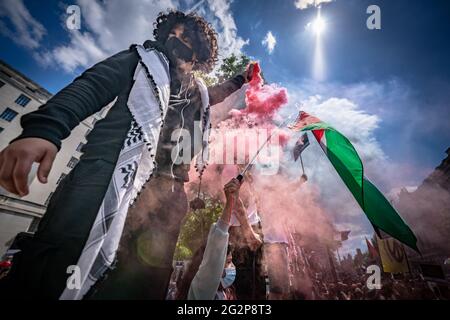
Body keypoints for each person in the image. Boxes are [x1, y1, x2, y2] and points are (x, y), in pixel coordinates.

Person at [0, 10, 255, 300]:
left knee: (142, 283)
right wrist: (44, 130)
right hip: (103, 178)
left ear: (198, 55)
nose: (174, 40)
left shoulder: (199, 95)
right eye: (172, 34)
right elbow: (93, 84)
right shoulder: (140, 62)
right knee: (58, 268)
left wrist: (242, 78)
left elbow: (220, 92)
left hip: (166, 201)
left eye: (185, 38)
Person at [176, 178, 242, 300]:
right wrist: (229, 204)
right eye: (227, 262)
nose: (232, 267)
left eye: (230, 262)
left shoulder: (223, 293)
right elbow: (214, 256)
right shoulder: (203, 291)